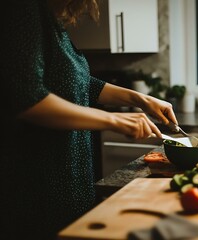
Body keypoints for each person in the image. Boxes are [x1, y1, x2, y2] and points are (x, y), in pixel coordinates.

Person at [0, 0, 178, 239]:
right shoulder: (21, 8)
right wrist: (115, 120)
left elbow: (78, 83)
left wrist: (141, 99)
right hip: (37, 183)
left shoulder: (49, 20)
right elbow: (27, 99)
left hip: (71, 177)